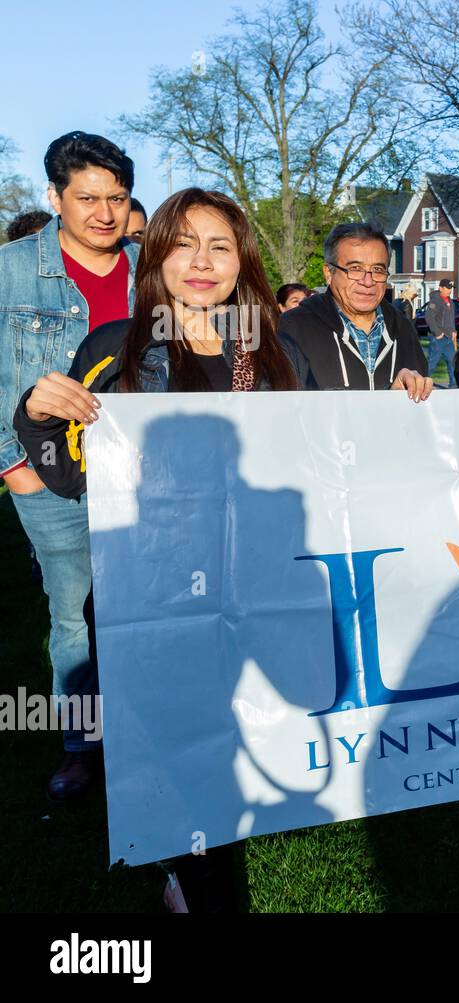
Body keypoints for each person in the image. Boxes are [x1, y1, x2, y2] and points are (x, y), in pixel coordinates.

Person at [13, 187, 305, 912]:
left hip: (252, 584)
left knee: (233, 735)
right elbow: (70, 470)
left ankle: (197, 858)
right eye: (183, 242)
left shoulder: (276, 349)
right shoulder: (116, 347)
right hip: (154, 590)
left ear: (242, 259)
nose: (201, 261)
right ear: (156, 254)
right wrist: (37, 415)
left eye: (220, 245)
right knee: (181, 747)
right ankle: (194, 873)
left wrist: (410, 399)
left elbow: (332, 448)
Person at [0, 131, 139, 800]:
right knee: (75, 616)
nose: (104, 212)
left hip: (142, 477)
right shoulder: (13, 269)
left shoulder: (155, 267)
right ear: (56, 197)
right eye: (87, 197)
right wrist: (13, 468)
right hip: (50, 479)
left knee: (145, 604)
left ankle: (149, 730)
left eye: (116, 197)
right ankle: (81, 748)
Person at [276, 222, 431, 396]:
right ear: (329, 273)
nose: (368, 281)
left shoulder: (403, 329)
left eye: (378, 269)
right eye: (355, 269)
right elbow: (283, 408)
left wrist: (395, 396)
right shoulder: (294, 328)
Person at [425, 278, 458, 385]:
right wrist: (437, 333)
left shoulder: (451, 302)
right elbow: (429, 317)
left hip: (449, 338)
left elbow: (451, 318)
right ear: (441, 288)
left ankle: (453, 385)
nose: (450, 290)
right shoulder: (435, 301)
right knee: (432, 363)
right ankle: (422, 382)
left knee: (452, 362)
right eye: (448, 288)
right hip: (438, 338)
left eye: (451, 288)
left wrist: (453, 331)